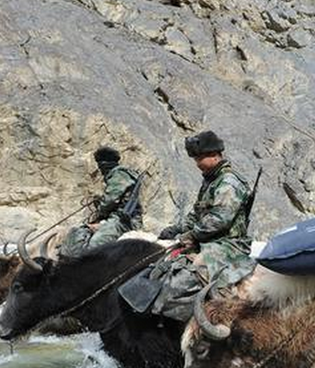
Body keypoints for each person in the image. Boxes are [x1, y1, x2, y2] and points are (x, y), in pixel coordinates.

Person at [151, 131, 255, 319]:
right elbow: (197, 214)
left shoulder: (228, 182)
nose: (197, 163)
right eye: (195, 159)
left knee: (184, 281)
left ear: (215, 155)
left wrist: (192, 235)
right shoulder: (210, 181)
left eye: (200, 158)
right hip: (208, 240)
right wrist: (179, 229)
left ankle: (217, 319)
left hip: (228, 245)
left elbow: (220, 219)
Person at [61, 146, 142, 257]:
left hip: (122, 221)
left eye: (100, 166)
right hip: (116, 218)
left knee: (94, 247)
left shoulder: (119, 174)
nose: (100, 170)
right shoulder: (122, 175)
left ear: (104, 165)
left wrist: (100, 209)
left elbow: (110, 201)